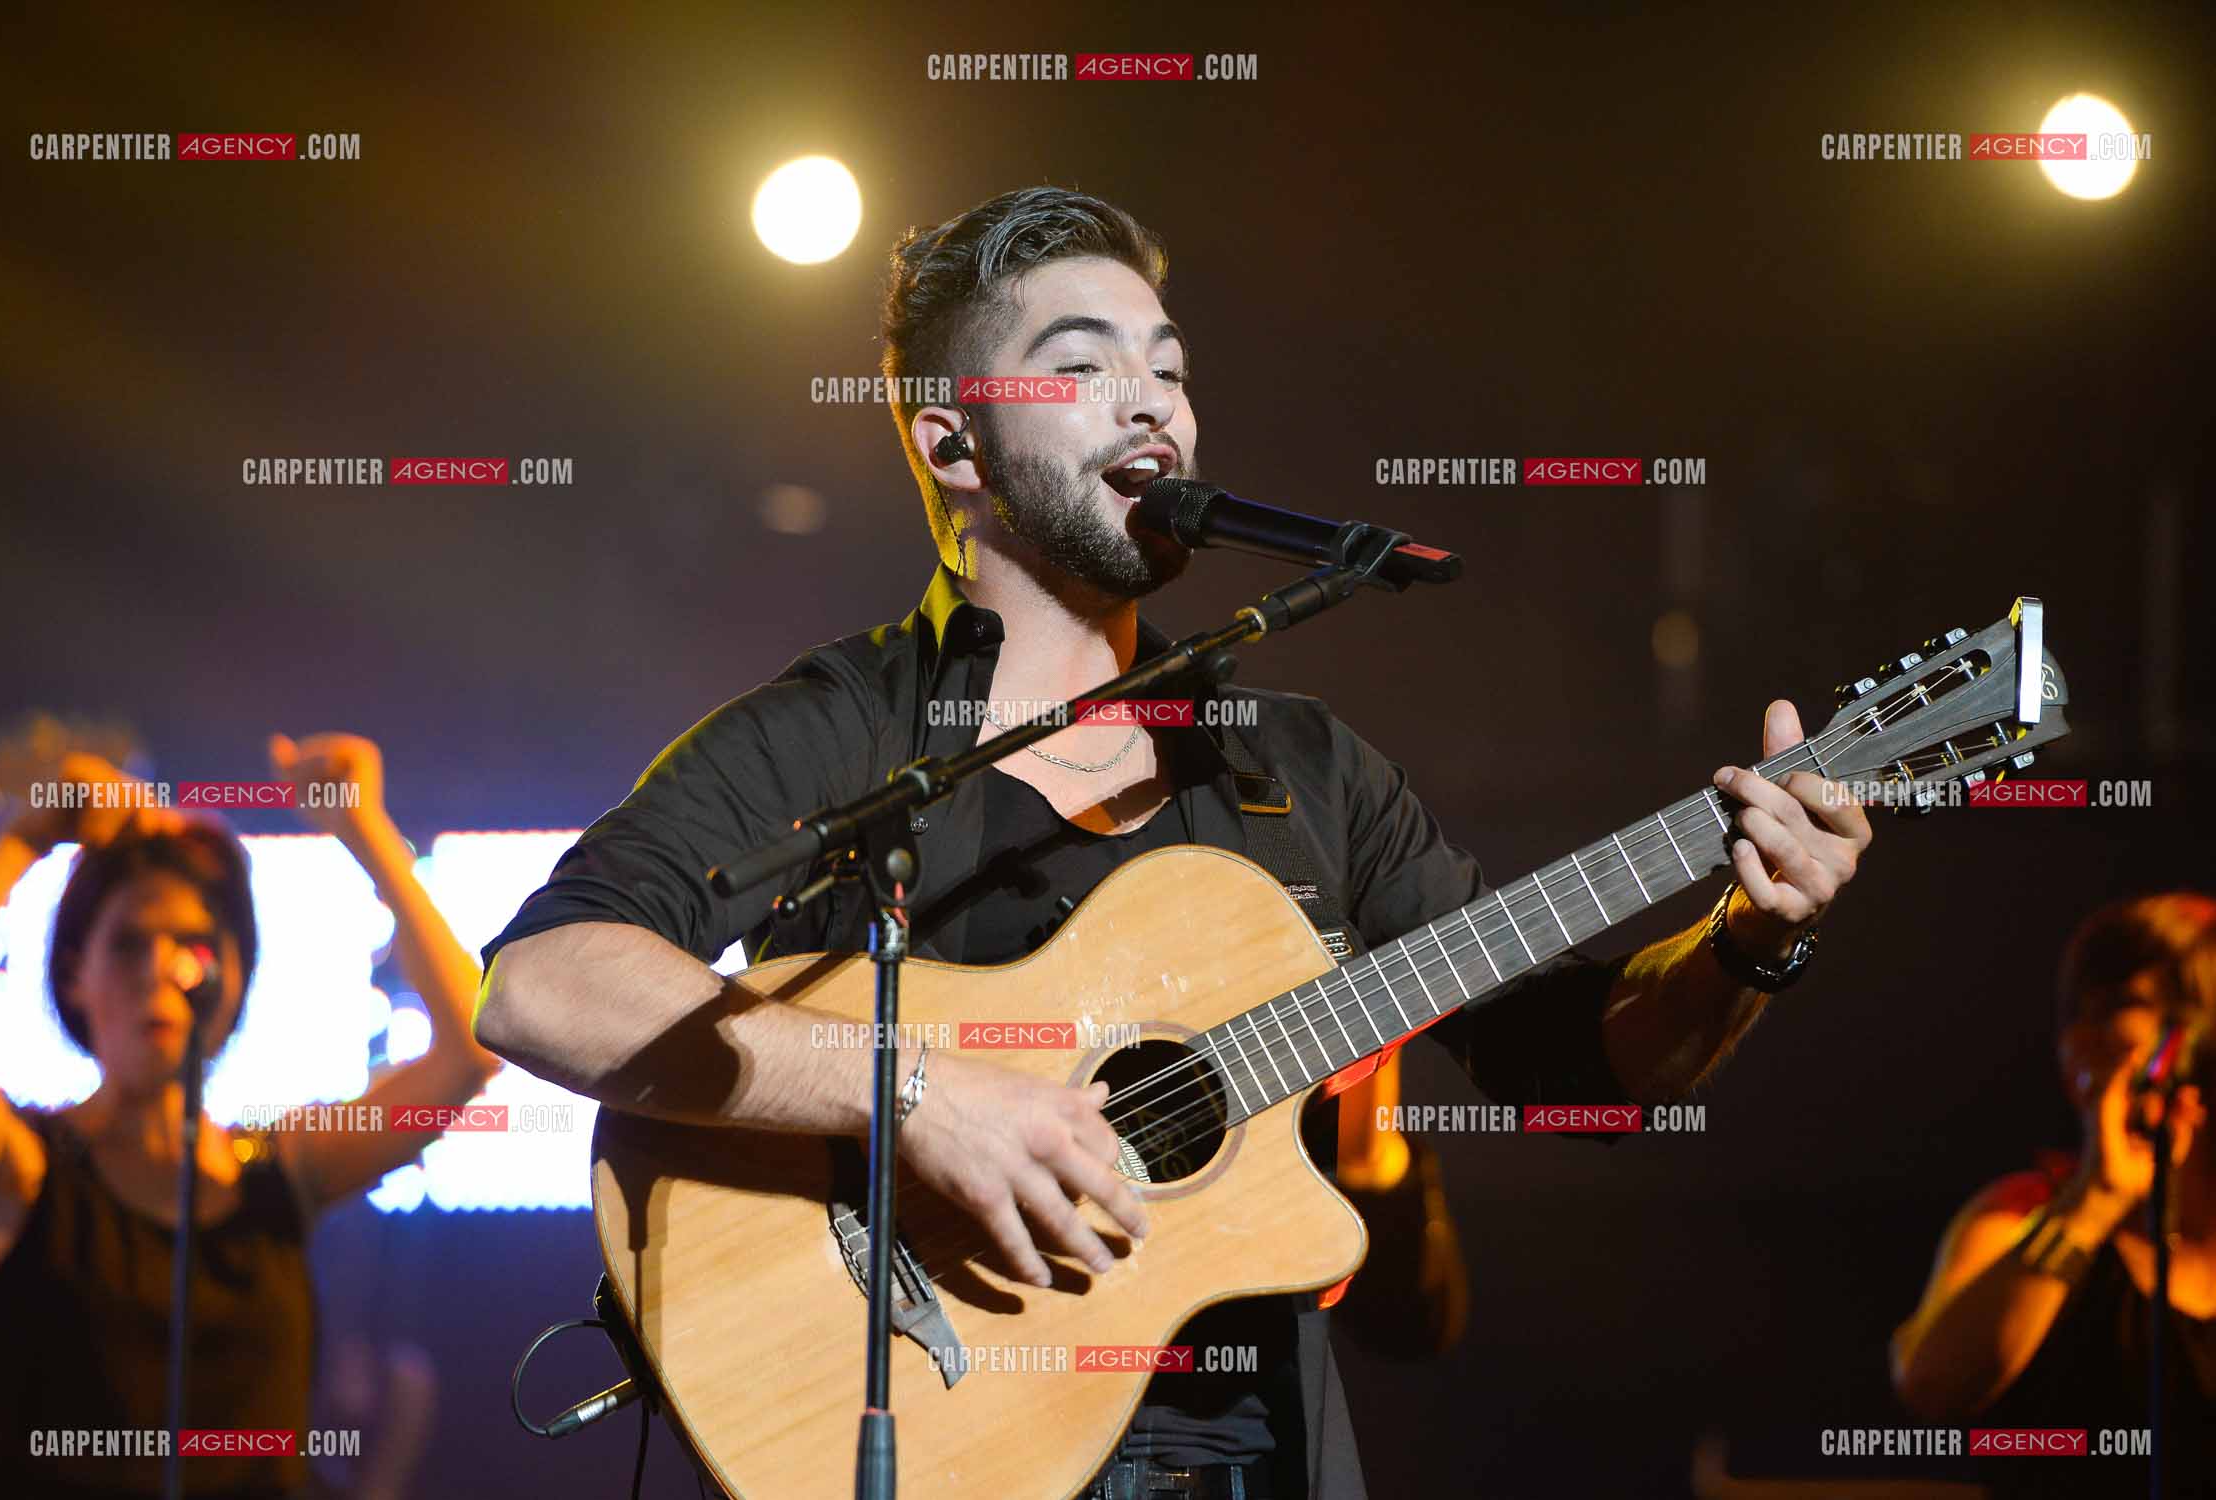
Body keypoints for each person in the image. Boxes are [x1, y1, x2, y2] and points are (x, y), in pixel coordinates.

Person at [472, 186, 1873, 1500]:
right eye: (1082, 366)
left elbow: (1578, 1060)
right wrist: (922, 1096)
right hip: (924, 1430)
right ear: (951, 443)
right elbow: (542, 983)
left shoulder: (1301, 766)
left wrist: (1754, 938)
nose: (1154, 401)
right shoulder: (840, 729)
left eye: (1169, 366)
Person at [0, 736, 502, 1499]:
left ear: (235, 978)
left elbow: (470, 1051)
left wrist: (362, 828)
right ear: (75, 975)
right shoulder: (21, 1164)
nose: (161, 969)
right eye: (127, 944)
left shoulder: (279, 1173)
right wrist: (26, 839)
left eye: (192, 944)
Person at [1890, 892, 2216, 1496]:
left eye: (2120, 1006)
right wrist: (2093, 1202)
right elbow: (1932, 1385)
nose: (2080, 1040)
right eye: (2078, 1015)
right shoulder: (2019, 1213)